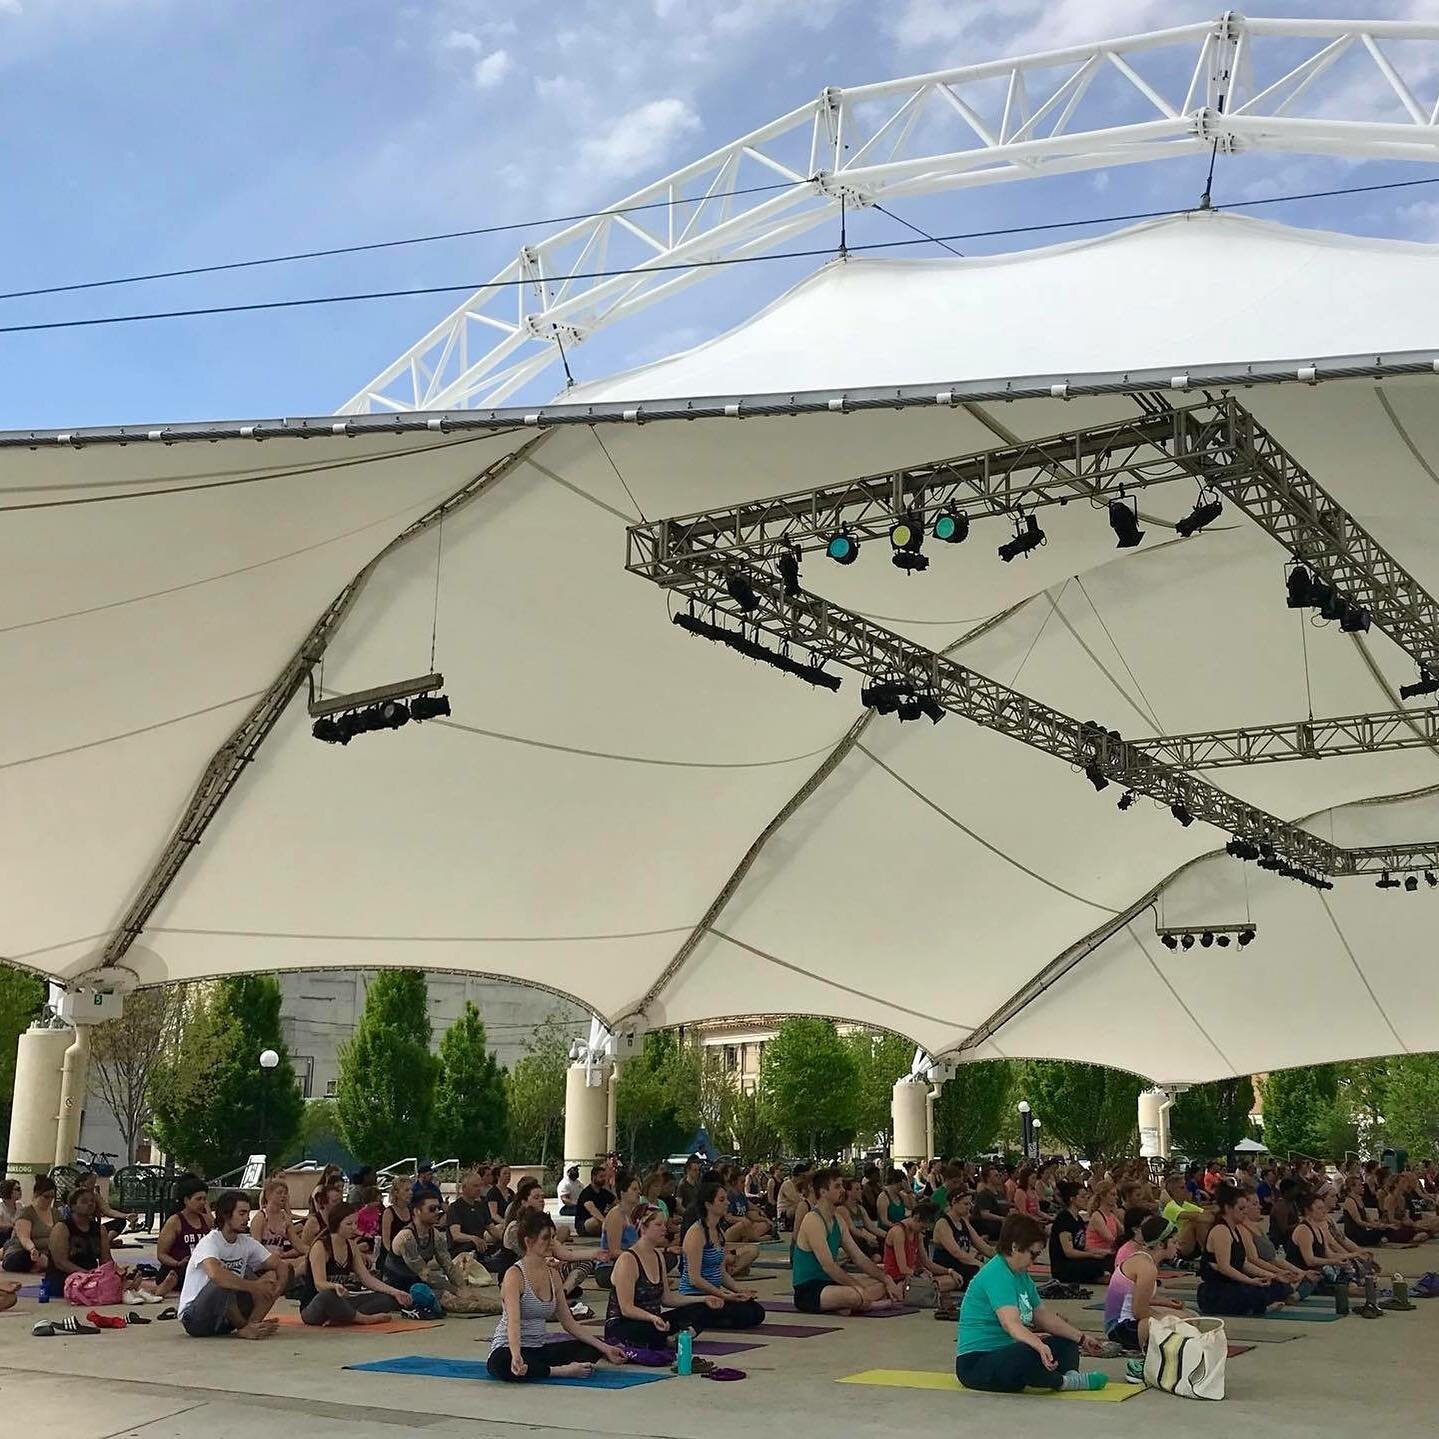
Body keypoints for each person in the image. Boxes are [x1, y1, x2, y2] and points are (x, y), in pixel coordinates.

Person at [956, 1213, 1109, 1393]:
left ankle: (1070, 1376)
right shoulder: (997, 1274)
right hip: (976, 1363)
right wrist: (1038, 1344)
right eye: (1033, 1254)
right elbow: (1010, 1323)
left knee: (1065, 1341)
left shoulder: (1021, 1275)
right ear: (1014, 1247)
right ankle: (1063, 1382)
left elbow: (1042, 1316)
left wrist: (1081, 1338)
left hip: (1005, 1352)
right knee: (1026, 1353)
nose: (1034, 1260)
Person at [489, 1211, 626, 1381]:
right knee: (501, 1363)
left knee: (589, 1348)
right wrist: (516, 1355)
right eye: (546, 1238)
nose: (551, 1243)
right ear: (528, 1241)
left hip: (537, 1349)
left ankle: (540, 1369)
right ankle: (560, 1371)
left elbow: (568, 1323)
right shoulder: (514, 1275)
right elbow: (513, 1322)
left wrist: (605, 1348)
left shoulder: (553, 1275)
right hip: (508, 1348)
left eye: (553, 1237)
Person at [605, 1200, 724, 1350]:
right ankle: (668, 1339)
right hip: (625, 1324)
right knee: (652, 1332)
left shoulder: (658, 1255)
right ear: (643, 1227)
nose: (664, 1229)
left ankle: (671, 1338)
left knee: (701, 1309)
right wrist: (652, 1318)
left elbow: (667, 1299)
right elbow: (627, 1309)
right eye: (658, 1225)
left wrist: (704, 1298)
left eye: (664, 1224)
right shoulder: (628, 1260)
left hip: (653, 1321)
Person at [792, 1168, 903, 1315]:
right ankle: (867, 1303)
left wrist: (887, 1279)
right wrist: (858, 1288)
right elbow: (829, 1267)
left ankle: (852, 1303)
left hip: (830, 1283)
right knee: (854, 1294)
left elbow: (858, 1257)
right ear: (823, 1192)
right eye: (837, 1186)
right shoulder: (813, 1220)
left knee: (881, 1283)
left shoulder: (838, 1220)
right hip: (809, 1289)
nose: (843, 1190)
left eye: (842, 1186)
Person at [178, 1190, 284, 1339]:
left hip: (225, 1319)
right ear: (226, 1215)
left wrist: (277, 1288)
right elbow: (216, 1276)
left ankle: (252, 1325)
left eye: (248, 1213)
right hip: (197, 1319)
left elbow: (281, 1265)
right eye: (241, 1213)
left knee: (271, 1280)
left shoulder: (246, 1242)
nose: (247, 1218)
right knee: (225, 1279)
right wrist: (255, 1286)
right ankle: (243, 1327)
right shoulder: (210, 1242)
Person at [299, 1202, 410, 1325]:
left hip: (343, 1301)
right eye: (348, 1224)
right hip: (316, 1305)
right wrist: (334, 1287)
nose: (354, 1228)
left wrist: (394, 1292)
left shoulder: (351, 1245)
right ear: (336, 1224)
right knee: (328, 1296)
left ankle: (343, 1318)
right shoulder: (321, 1246)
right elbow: (319, 1284)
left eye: (355, 1223)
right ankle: (362, 1319)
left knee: (388, 1298)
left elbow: (366, 1278)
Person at [1104, 1209, 1192, 1361]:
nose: (1177, 1246)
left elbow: (1134, 1299)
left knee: (1190, 1317)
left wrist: (1166, 1305)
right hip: (1120, 1329)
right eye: (1174, 1241)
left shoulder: (1143, 1260)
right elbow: (1140, 1312)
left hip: (1122, 1322)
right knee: (1186, 1322)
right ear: (1160, 1244)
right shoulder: (1146, 1267)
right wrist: (1169, 1317)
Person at [678, 1181, 765, 1329]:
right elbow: (695, 1279)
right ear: (708, 1205)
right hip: (695, 1297)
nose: (727, 1203)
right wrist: (724, 1296)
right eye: (722, 1200)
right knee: (744, 1315)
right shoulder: (696, 1234)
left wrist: (739, 1291)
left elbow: (721, 1272)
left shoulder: (718, 1232)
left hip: (715, 1294)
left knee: (756, 1311)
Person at [1196, 1184, 1289, 1315]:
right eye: (1241, 1208)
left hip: (1233, 1285)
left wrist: (1274, 1276)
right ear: (1228, 1208)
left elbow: (1244, 1263)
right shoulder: (1221, 1230)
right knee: (1253, 1292)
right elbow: (1224, 1267)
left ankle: (1256, 1305)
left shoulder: (1235, 1230)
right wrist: (1250, 1280)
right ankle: (1255, 1306)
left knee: (1274, 1285)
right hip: (1216, 1290)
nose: (1245, 1211)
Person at [884, 1201, 960, 1308]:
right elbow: (903, 1269)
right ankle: (927, 1291)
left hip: (912, 1279)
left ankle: (928, 1291)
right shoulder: (898, 1232)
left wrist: (950, 1271)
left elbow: (927, 1263)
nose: (923, 1231)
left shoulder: (917, 1234)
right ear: (916, 1218)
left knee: (953, 1280)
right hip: (898, 1279)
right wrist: (920, 1275)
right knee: (930, 1284)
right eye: (922, 1227)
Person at [155, 1177, 210, 1296]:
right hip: (178, 1266)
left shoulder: (206, 1219)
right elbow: (161, 1254)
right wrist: (177, 1263)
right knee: (186, 1271)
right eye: (198, 1199)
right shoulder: (175, 1221)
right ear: (186, 1200)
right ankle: (168, 1283)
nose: (202, 1203)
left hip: (201, 1265)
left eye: (204, 1199)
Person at [1047, 1181, 1110, 1284]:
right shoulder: (1064, 1219)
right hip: (1064, 1267)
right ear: (1072, 1199)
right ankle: (1099, 1277)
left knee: (1107, 1259)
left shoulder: (1078, 1219)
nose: (1087, 1199)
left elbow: (1082, 1246)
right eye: (1082, 1196)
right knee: (1095, 1265)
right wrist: (1092, 1255)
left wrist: (1102, 1251)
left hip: (1077, 1262)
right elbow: (1069, 1252)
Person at [250, 1178, 305, 1285]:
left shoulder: (285, 1217)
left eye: (285, 1193)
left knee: (307, 1261)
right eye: (279, 1193)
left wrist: (315, 1251)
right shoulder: (261, 1217)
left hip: (279, 1259)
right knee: (299, 1266)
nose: (283, 1196)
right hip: (263, 1261)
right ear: (268, 1195)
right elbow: (255, 1248)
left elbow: (298, 1245)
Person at [1, 1173, 57, 1276]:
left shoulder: (56, 1213)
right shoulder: (26, 1212)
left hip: (47, 1252)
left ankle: (43, 1263)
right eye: (46, 1197)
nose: (49, 1200)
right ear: (36, 1195)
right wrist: (32, 1249)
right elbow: (24, 1238)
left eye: (52, 1197)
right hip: (22, 1251)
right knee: (23, 1258)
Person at [931, 1192, 989, 1287]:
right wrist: (980, 1265)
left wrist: (1001, 1257)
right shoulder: (943, 1223)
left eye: (970, 1204)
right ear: (954, 1202)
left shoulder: (963, 1222)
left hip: (962, 1265)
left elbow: (983, 1246)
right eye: (966, 1204)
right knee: (979, 1271)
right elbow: (956, 1253)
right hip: (948, 1266)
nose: (969, 1207)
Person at [447, 1170, 500, 1257]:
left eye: (480, 1185)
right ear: (464, 1188)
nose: (479, 1189)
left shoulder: (481, 1206)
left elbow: (492, 1229)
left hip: (479, 1249)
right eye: (475, 1186)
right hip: (461, 1251)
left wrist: (507, 1238)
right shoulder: (455, 1207)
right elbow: (456, 1235)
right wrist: (473, 1238)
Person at [1084, 1180, 1124, 1259]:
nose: (1116, 1197)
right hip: (1096, 1254)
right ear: (1103, 1196)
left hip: (1107, 1251)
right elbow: (1111, 1239)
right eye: (1113, 1194)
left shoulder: (1111, 1215)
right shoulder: (1097, 1216)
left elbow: (1122, 1231)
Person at [299, 1182, 343, 1251]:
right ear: (324, 1203)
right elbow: (303, 1247)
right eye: (335, 1201)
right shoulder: (314, 1222)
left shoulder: (342, 1217)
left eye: (340, 1201)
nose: (339, 1205)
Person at [575, 1165, 615, 1239]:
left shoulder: (604, 1192)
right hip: (584, 1224)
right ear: (594, 1177)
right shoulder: (586, 1192)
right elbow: (591, 1209)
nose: (604, 1179)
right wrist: (605, 1222)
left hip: (601, 1221)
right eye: (601, 1176)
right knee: (595, 1222)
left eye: (605, 1176)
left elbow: (616, 1203)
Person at [379, 1175, 413, 1261]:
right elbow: (386, 1241)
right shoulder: (389, 1212)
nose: (410, 1193)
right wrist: (395, 1256)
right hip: (391, 1256)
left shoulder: (411, 1211)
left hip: (408, 1254)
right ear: (396, 1193)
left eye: (411, 1190)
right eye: (406, 1190)